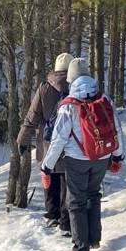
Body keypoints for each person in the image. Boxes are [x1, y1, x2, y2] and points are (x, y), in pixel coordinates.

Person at [42, 58, 125, 251]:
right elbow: (117, 129)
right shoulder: (104, 99)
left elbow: (59, 139)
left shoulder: (68, 106)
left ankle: (80, 250)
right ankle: (94, 238)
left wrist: (47, 165)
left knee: (76, 201)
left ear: (70, 79)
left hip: (77, 159)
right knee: (93, 194)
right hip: (101, 157)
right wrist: (118, 155)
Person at [18, 52, 74, 234]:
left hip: (48, 142)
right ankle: (66, 222)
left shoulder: (44, 88)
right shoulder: (77, 87)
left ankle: (52, 215)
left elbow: (32, 116)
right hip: (72, 142)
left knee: (50, 176)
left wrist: (23, 139)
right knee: (68, 181)